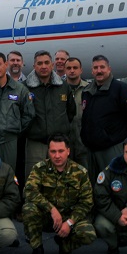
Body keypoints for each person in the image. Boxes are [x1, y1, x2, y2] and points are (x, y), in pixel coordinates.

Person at [22, 135, 96, 254]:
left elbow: (86, 202)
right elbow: (29, 191)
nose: (57, 156)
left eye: (61, 151)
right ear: (48, 151)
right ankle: (37, 248)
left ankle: (65, 245)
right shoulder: (40, 169)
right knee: (28, 208)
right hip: (47, 216)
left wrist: (69, 222)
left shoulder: (80, 172)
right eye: (53, 151)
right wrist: (51, 209)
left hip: (69, 217)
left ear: (68, 151)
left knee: (88, 234)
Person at [80, 55, 127, 180]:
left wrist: (125, 142)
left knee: (114, 183)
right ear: (92, 71)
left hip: (112, 148)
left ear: (109, 69)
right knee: (94, 186)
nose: (99, 70)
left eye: (102, 67)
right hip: (91, 150)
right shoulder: (87, 91)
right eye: (96, 68)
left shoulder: (121, 89)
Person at [23, 51, 76, 180]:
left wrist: (60, 128)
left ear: (52, 65)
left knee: (61, 179)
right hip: (36, 143)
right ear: (34, 66)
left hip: (59, 143)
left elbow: (71, 111)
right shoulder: (24, 88)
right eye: (39, 63)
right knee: (34, 179)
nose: (43, 66)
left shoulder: (63, 87)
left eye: (47, 63)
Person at [63, 57, 89, 169]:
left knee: (85, 174)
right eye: (69, 68)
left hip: (83, 142)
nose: (72, 70)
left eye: (75, 68)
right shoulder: (59, 89)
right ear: (64, 70)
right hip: (65, 142)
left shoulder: (89, 89)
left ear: (81, 70)